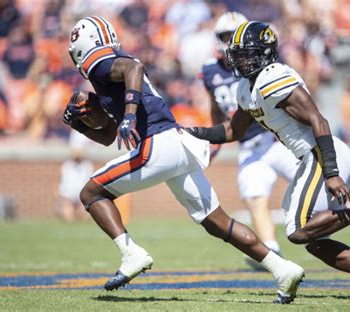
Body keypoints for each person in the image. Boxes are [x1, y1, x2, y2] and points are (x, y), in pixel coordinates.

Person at [63, 16, 304, 304]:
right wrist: (79, 123)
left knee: (90, 192)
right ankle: (283, 269)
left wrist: (129, 115)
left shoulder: (101, 62)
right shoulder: (109, 78)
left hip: (160, 144)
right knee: (217, 222)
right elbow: (108, 136)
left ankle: (131, 253)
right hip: (175, 144)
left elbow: (134, 67)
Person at [187, 21, 350, 300]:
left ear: (265, 54)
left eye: (248, 54)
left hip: (321, 153)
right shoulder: (245, 88)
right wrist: (192, 132)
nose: (241, 61)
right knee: (312, 241)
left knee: (297, 231)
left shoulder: (273, 77)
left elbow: (318, 119)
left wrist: (331, 173)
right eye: (238, 54)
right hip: (310, 158)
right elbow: (233, 130)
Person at [200, 12, 298, 269]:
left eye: (234, 36)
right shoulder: (209, 70)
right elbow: (215, 106)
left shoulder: (259, 63)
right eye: (225, 37)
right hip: (248, 143)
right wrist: (215, 141)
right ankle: (272, 251)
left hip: (276, 138)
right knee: (254, 195)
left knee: (317, 189)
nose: (230, 42)